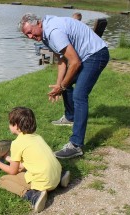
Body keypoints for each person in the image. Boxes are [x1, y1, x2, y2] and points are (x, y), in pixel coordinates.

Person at [18, 13, 109, 159]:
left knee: (80, 95)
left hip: (96, 54)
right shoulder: (45, 36)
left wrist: (62, 86)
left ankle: (76, 145)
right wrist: (60, 84)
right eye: (26, 35)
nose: (29, 37)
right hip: (83, 57)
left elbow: (75, 63)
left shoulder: (53, 32)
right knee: (66, 84)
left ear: (38, 24)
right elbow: (62, 61)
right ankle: (70, 116)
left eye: (30, 32)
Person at [0, 107, 70, 213]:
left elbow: (13, 171)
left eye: (10, 123)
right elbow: (25, 163)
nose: (9, 125)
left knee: (3, 180)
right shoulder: (37, 136)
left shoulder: (17, 143)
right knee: (29, 169)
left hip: (45, 182)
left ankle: (33, 196)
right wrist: (6, 158)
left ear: (16, 126)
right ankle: (61, 177)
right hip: (56, 174)